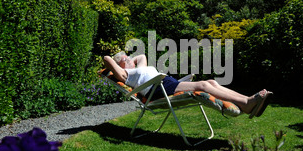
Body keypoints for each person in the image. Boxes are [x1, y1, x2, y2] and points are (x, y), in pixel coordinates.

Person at [103, 52, 273, 118]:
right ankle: (248, 104)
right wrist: (120, 61)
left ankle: (247, 100)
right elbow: (107, 59)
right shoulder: (126, 75)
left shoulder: (139, 67)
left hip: (164, 83)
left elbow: (141, 56)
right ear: (121, 65)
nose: (130, 58)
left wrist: (128, 59)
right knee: (204, 87)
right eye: (126, 58)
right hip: (157, 89)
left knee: (211, 82)